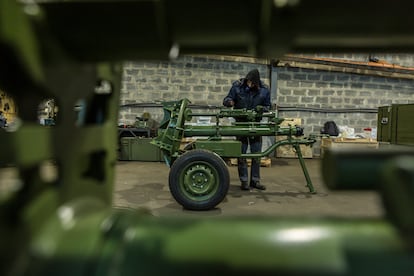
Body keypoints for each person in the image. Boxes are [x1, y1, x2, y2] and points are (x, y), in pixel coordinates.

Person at [223, 69, 271, 191]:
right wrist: (229, 102)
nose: (250, 85)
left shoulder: (264, 89)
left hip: (256, 125)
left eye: (253, 83)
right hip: (241, 124)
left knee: (256, 154)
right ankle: (244, 181)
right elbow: (226, 99)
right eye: (249, 82)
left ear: (257, 83)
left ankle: (255, 181)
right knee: (242, 154)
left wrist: (262, 109)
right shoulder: (237, 86)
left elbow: (268, 106)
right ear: (246, 80)